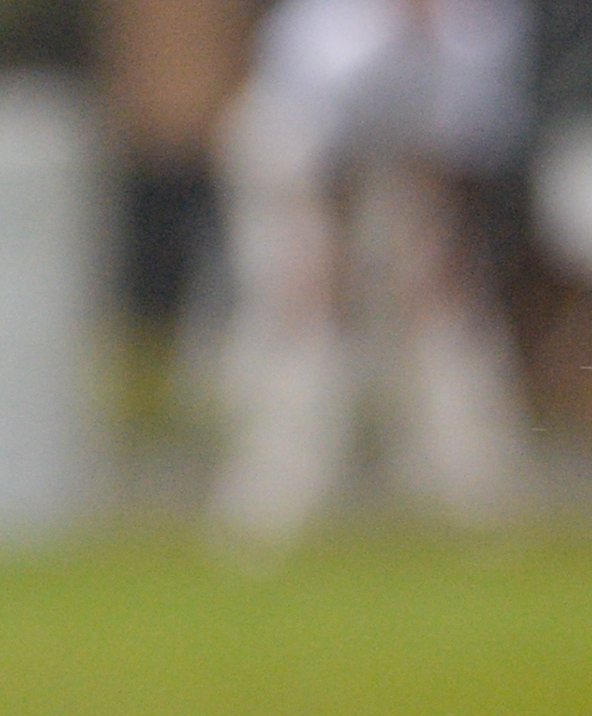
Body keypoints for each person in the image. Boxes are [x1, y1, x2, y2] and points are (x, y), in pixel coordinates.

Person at [213, 0, 534, 540]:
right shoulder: (328, 22)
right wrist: (321, 263)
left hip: (411, 176)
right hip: (294, 172)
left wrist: (437, 256)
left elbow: (461, 148)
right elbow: (314, 148)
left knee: (445, 324)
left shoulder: (483, 23)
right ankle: (268, 510)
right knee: (306, 333)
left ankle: (475, 501)